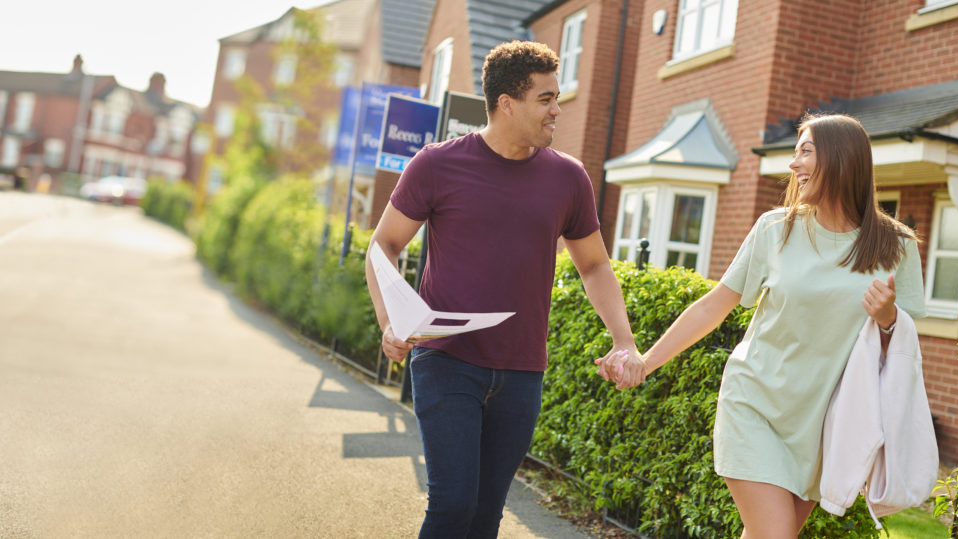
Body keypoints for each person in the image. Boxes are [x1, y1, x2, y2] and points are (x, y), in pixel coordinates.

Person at [599, 113, 926, 537]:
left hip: (825, 426)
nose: (793, 165)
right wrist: (645, 361)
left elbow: (904, 352)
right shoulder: (775, 230)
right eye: (795, 153)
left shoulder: (895, 246)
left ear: (842, 159)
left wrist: (887, 319)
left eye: (805, 152)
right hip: (755, 405)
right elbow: (713, 306)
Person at [364, 40, 641, 538]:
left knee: (486, 514)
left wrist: (624, 339)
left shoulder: (568, 178)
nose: (557, 110)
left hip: (521, 373)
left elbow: (595, 265)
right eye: (546, 99)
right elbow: (382, 244)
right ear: (506, 104)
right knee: (452, 507)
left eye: (557, 97)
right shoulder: (436, 165)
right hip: (446, 360)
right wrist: (391, 320)